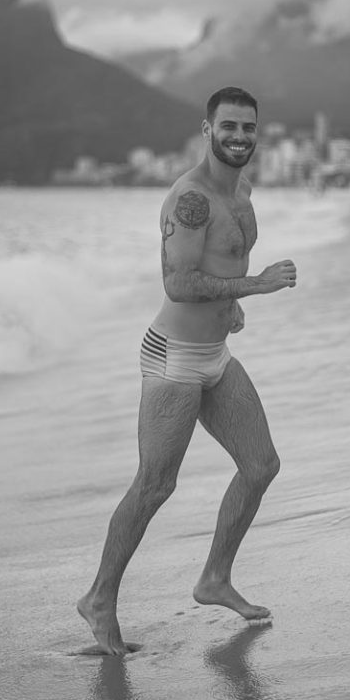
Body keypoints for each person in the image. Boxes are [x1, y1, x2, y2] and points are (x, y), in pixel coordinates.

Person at [78, 87, 297, 655]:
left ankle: (214, 578)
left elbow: (217, 263)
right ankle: (99, 598)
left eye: (248, 127)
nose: (239, 137)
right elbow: (177, 283)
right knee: (155, 485)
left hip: (213, 354)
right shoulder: (191, 199)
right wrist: (257, 285)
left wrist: (232, 303)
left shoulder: (241, 191)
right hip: (173, 358)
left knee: (261, 465)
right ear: (206, 130)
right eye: (228, 126)